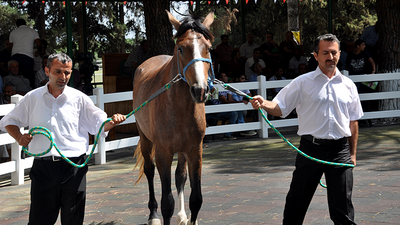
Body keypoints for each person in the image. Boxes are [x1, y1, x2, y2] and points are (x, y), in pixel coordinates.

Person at [0, 53, 126, 225]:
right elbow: (8, 121)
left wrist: (112, 122)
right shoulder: (32, 98)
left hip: (74, 168)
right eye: (57, 72)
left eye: (67, 73)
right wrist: (19, 137)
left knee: (73, 220)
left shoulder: (79, 98)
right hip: (43, 169)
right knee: (39, 221)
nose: (63, 77)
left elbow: (99, 124)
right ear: (47, 71)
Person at [250, 34, 363, 224]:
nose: (330, 57)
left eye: (334, 53)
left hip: (340, 152)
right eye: (325, 52)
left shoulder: (348, 85)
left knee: (343, 209)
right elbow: (280, 107)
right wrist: (263, 104)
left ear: (339, 54)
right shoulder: (302, 82)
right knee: (296, 203)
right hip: (311, 148)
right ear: (316, 55)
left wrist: (352, 154)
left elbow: (353, 121)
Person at [9, 18, 41, 88]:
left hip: (15, 57)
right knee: (29, 77)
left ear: (17, 25)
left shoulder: (13, 32)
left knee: (15, 77)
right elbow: (38, 44)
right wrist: (38, 51)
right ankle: (29, 93)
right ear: (25, 24)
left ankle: (15, 92)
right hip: (27, 57)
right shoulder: (32, 31)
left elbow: (11, 46)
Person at [206, 73, 238, 140]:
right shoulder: (216, 88)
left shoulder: (225, 87)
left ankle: (227, 135)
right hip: (216, 111)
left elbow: (229, 99)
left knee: (234, 113)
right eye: (225, 76)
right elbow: (225, 101)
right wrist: (239, 102)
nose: (227, 77)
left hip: (224, 110)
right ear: (220, 79)